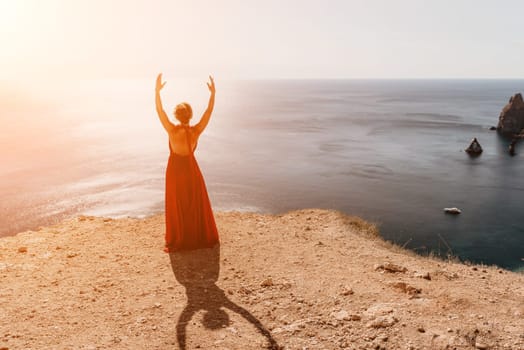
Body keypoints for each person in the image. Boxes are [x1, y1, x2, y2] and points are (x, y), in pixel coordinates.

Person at [155, 73, 219, 252]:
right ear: (190, 115)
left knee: (178, 204)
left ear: (176, 115)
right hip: (191, 169)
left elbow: (160, 111)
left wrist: (157, 92)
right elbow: (208, 112)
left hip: (175, 169)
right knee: (194, 203)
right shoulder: (196, 131)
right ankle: (197, 236)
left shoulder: (172, 130)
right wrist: (213, 94)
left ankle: (180, 237)